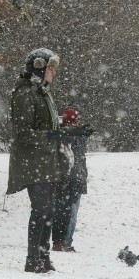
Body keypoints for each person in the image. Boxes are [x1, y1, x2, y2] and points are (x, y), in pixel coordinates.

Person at [7, 48, 64, 273]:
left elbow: (47, 125)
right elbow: (22, 132)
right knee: (40, 208)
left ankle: (44, 255)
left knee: (49, 209)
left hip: (47, 159)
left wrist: (67, 132)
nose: (54, 73)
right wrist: (51, 136)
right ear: (40, 67)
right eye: (51, 68)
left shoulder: (42, 92)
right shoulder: (25, 93)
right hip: (32, 160)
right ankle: (33, 258)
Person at [52, 108, 92, 252]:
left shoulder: (76, 136)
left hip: (77, 178)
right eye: (76, 120)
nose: (78, 123)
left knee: (70, 213)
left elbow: (81, 158)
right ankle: (62, 241)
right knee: (65, 212)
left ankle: (66, 241)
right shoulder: (65, 135)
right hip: (69, 178)